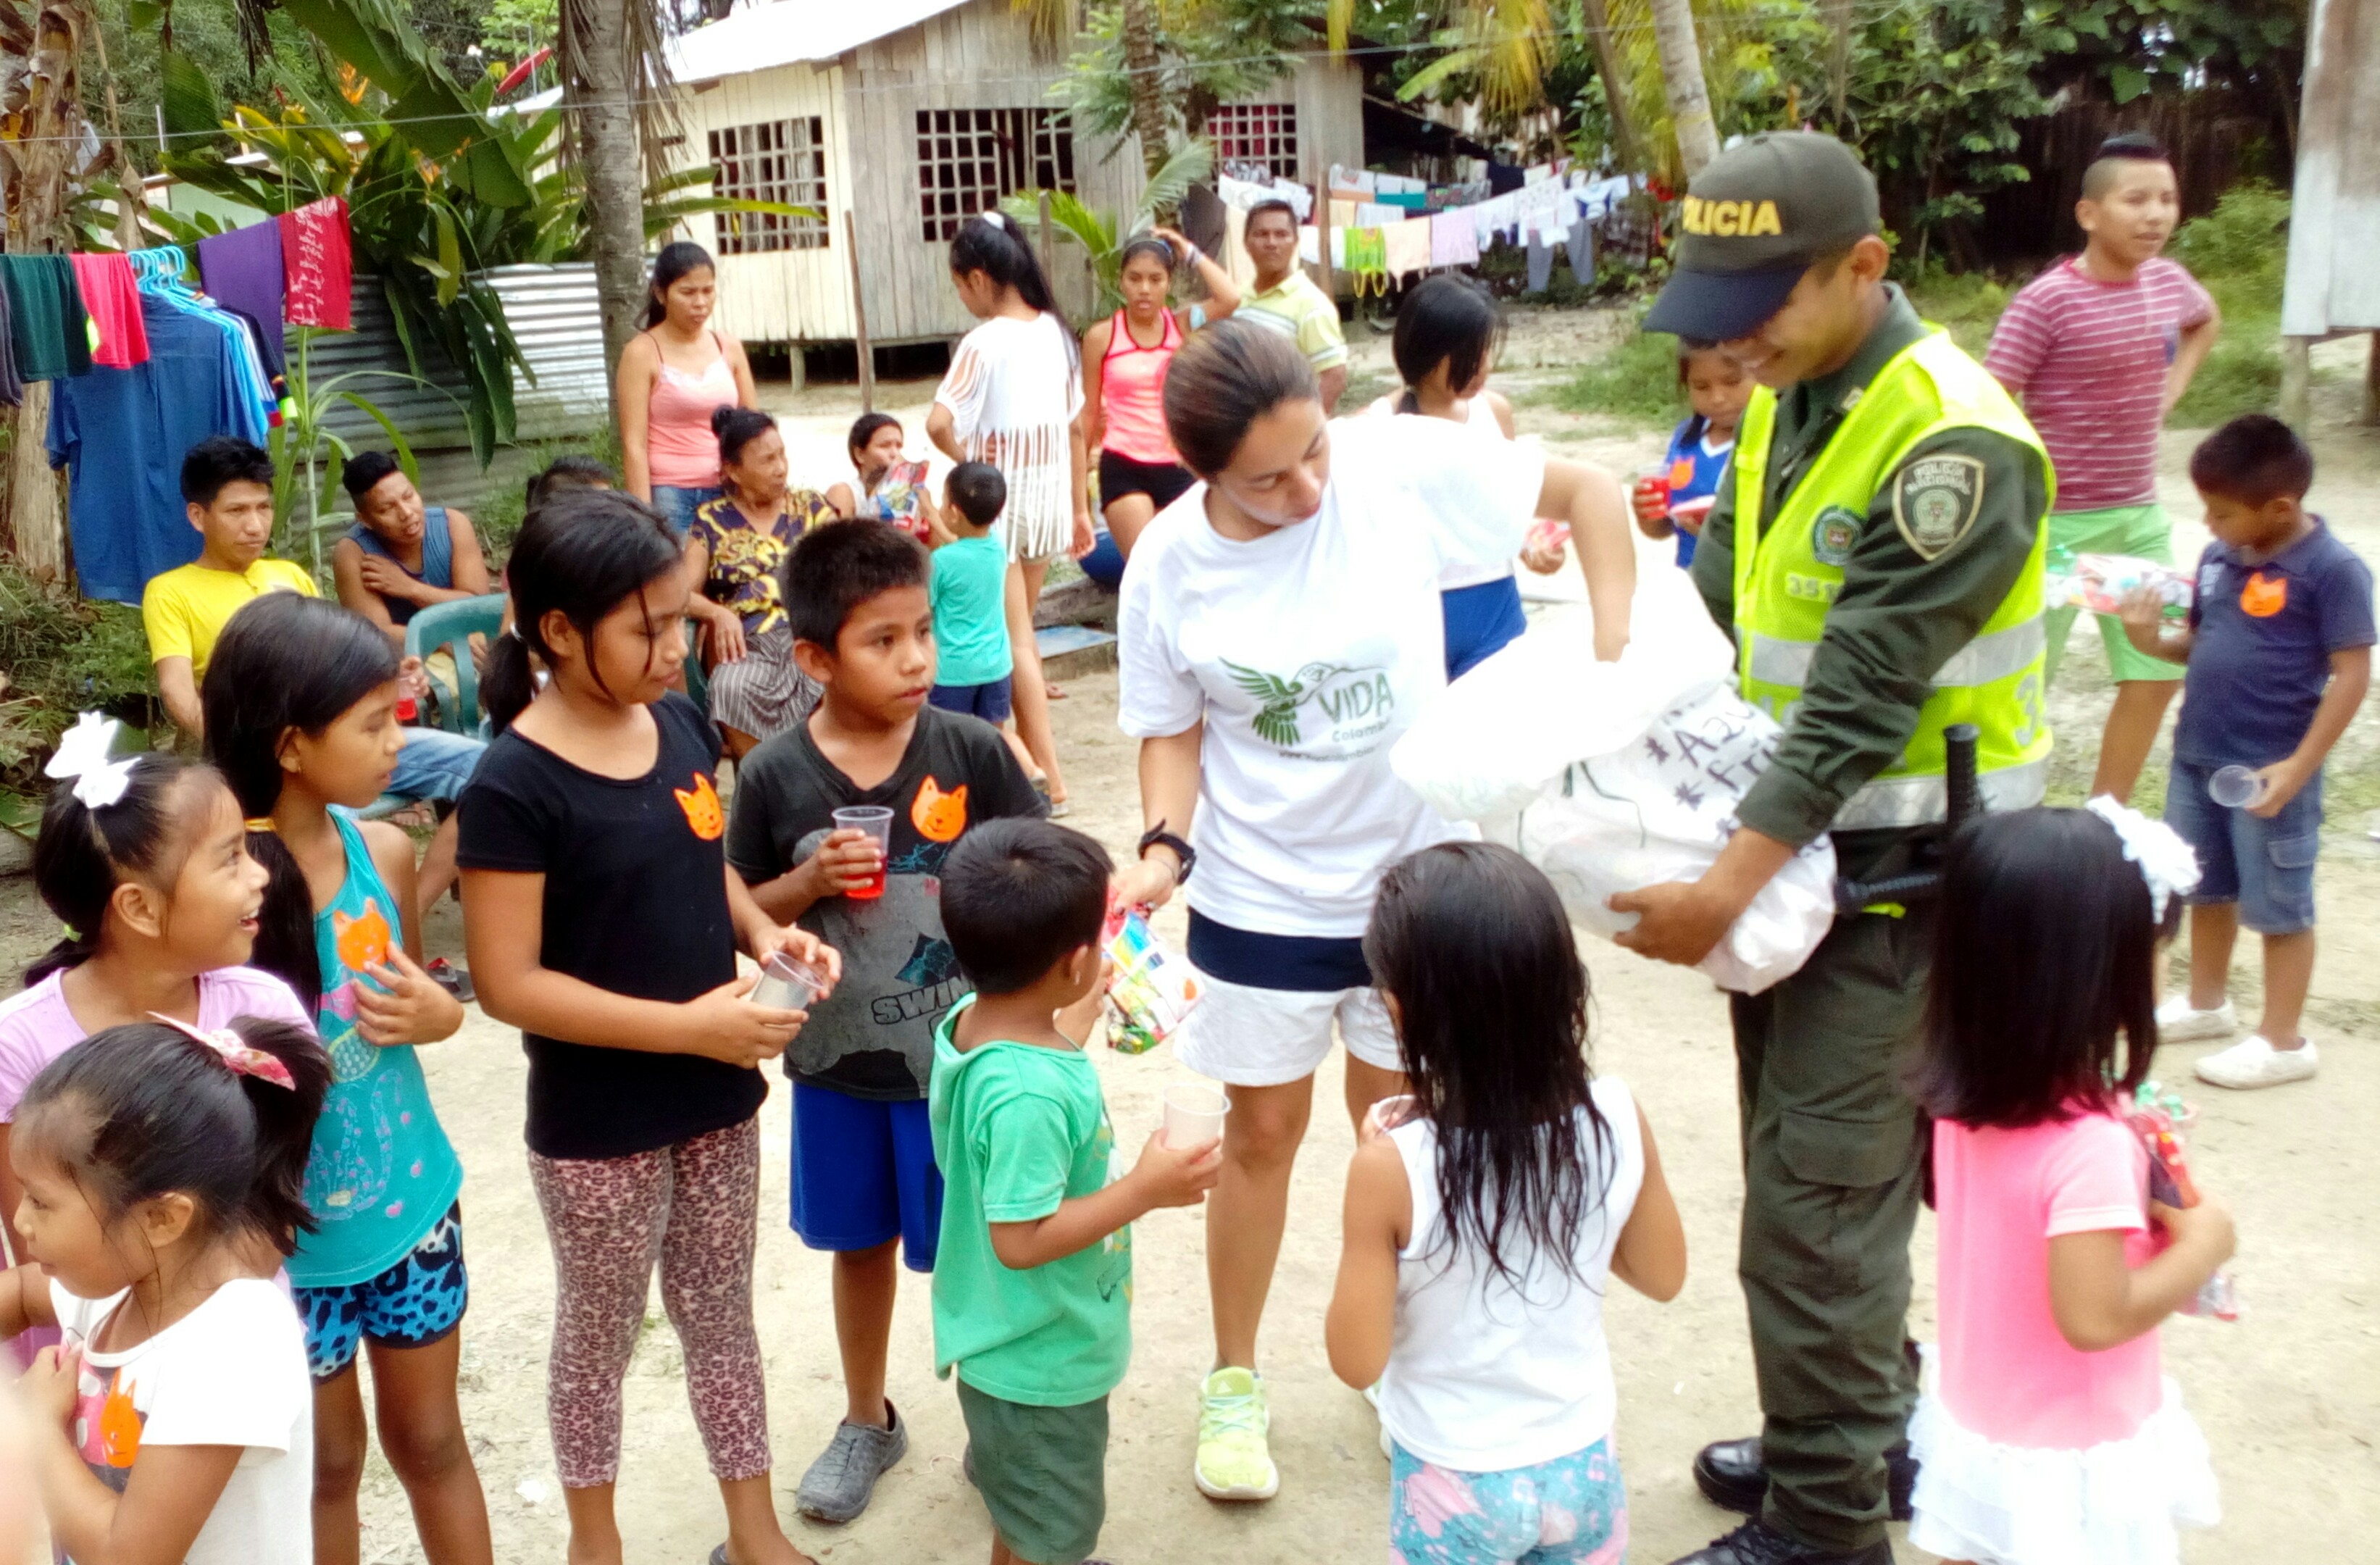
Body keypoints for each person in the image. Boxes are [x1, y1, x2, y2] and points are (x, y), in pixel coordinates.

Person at [1615, 132, 2056, 1565]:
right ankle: (1861, 1437)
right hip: (1815, 887)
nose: (1732, 338)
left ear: (1864, 268)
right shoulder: (1791, 402)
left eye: (1762, 304)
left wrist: (1714, 892)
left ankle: (1823, 1527)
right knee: (1814, 1189)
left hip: (1905, 895)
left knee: (1814, 1218)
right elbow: (1723, 630)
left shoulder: (1949, 441)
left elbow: (1857, 696)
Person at [1109, 318, 1634, 1504]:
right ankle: (1235, 1381)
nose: (1306, 488)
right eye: (1267, 477)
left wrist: (1613, 680)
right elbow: (1172, 727)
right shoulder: (1172, 566)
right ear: (1202, 475)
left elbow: (1592, 493)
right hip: (1261, 893)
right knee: (1260, 1138)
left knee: (1405, 1136)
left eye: (1312, 454)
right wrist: (1159, 850)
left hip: (1418, 888)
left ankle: (1406, 1374)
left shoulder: (1396, 466)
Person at [458, 490, 839, 1565]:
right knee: (600, 1335)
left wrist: (768, 934)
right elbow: (508, 982)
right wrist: (686, 1030)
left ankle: (755, 1532)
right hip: (599, 1121)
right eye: (650, 629)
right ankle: (596, 1545)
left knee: (721, 1313)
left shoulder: (675, 723)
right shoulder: (513, 785)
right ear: (561, 632)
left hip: (717, 1090)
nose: (678, 649)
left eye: (682, 619)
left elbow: (700, 861)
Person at [723, 518, 1044, 1524]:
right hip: (838, 1066)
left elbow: (1041, 870)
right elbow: (737, 905)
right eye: (882, 640)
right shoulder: (776, 773)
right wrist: (804, 880)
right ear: (814, 657)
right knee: (858, 1249)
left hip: (966, 1070)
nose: (915, 659)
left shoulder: (971, 748)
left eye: (924, 633)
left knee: (989, 1249)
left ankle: (1004, 1427)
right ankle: (869, 1418)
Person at [202, 593, 492, 1565]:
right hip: (282, 1251)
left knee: (434, 1443)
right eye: (371, 723)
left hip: (411, 1215)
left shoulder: (386, 853)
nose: (396, 739)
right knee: (324, 1469)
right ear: (290, 746)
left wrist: (444, 1017)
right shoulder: (217, 900)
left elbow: (414, 1002)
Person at [1326, 842, 1687, 1565]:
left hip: (1455, 1478)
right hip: (1581, 1460)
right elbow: (1662, 1274)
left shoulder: (1391, 1167)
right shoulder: (1615, 1113)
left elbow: (1355, 1358)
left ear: (1400, 1008)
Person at [1903, 804, 2230, 1564]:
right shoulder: (2088, 1144)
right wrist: (2205, 1243)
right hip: (2072, 1448)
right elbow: (2096, 1316)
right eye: (2156, 950)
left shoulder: (1959, 1096)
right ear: (2098, 972)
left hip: (1986, 1418)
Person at [930, 817, 1222, 1565]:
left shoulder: (978, 1026)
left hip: (1012, 1339)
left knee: (1028, 1511)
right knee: (1047, 1534)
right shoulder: (1028, 1092)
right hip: (1038, 1360)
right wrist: (1145, 1190)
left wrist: (1083, 1008)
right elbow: (1019, 1240)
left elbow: (1034, 1051)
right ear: (1074, 962)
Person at [0, 740, 304, 1370]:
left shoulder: (264, 1011)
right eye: (229, 860)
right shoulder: (18, 1044)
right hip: (83, 1366)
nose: (261, 875)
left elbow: (273, 1215)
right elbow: (39, 1244)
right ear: (137, 906)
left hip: (228, 1351)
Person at [1, 1014, 330, 1565]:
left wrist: (37, 1428)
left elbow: (127, 1555)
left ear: (161, 1218)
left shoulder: (235, 1344)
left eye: (42, 1201)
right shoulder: (113, 1282)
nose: (21, 1223)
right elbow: (19, 1296)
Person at [2120, 415, 2373, 1090]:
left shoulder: (2333, 569)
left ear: (2280, 507)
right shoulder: (2219, 560)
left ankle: (2282, 1040)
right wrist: (2149, 642)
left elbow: (2351, 673)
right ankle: (2206, 1004)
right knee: (2205, 887)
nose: (2207, 525)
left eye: (2221, 513)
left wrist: (2298, 766)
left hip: (2269, 768)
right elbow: (2199, 645)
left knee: (2278, 904)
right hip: (2197, 754)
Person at [151, 437, 487, 914]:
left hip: (342, 746)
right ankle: (331, 934)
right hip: (275, 771)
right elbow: (177, 693)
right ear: (197, 517)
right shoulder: (171, 591)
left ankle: (405, 908)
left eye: (264, 507)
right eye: (236, 511)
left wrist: (393, 678)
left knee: (491, 772)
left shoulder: (290, 575)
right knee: (321, 824)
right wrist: (245, 753)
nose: (254, 525)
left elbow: (336, 667)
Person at [1986, 132, 2221, 804]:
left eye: (2168, 200)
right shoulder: (2046, 302)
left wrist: (2173, 386)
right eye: (2136, 199)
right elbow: (1987, 394)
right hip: (2052, 530)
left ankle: (2106, 815)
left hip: (2137, 519)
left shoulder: (2169, 282)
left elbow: (2205, 319)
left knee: (2154, 671)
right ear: (2089, 214)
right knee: (2023, 681)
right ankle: (2006, 816)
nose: (2155, 215)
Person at [928, 212, 1089, 814]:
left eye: (959, 287)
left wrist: (967, 455)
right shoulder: (1056, 331)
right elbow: (1077, 428)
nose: (963, 300)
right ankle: (1038, 770)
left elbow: (938, 424)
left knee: (1013, 641)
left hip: (998, 504)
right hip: (1046, 500)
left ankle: (1047, 775)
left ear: (976, 277)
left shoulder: (985, 341)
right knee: (1020, 640)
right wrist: (1079, 507)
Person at [1364, 274, 1564, 678]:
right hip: (1416, 612)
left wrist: (1531, 544)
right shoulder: (1378, 425)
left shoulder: (1494, 413)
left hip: (1494, 607)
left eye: (1486, 352)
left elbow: (1505, 504)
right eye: (1467, 355)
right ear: (1423, 352)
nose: (1482, 368)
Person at [686, 406, 838, 759]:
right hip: (748, 646)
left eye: (782, 454)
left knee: (834, 677)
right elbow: (680, 594)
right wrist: (717, 613)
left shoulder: (811, 508)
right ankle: (760, 778)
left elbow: (848, 565)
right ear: (733, 471)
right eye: (767, 460)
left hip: (809, 634)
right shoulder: (711, 520)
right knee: (730, 685)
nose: (781, 467)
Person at [1082, 229, 1241, 559]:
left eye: (1156, 279)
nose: (1144, 289)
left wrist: (1189, 251)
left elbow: (1230, 299)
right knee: (1147, 566)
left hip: (1177, 463)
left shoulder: (1182, 325)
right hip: (1123, 464)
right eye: (1135, 278)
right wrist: (1077, 495)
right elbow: (1087, 414)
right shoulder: (1102, 337)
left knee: (1190, 564)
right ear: (1121, 281)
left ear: (1168, 283)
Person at [617, 241, 760, 538]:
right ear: (660, 294)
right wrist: (644, 520)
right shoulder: (641, 352)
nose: (700, 303)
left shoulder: (729, 347)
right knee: (676, 579)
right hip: (670, 495)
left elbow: (754, 429)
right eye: (688, 292)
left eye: (708, 291)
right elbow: (634, 445)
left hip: (728, 489)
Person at [331, 450, 493, 648]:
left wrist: (410, 588)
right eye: (386, 509)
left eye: (408, 496)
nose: (407, 513)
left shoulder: (453, 525)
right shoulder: (353, 554)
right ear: (365, 520)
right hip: (401, 664)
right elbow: (374, 636)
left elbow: (480, 610)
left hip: (472, 648)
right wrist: (439, 639)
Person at [1633, 343, 1753, 570]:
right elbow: (1663, 529)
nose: (1717, 398)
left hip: (1739, 582)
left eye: (1732, 382)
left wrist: (1717, 537)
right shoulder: (1686, 438)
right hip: (1692, 578)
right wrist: (1648, 512)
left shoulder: (1769, 441)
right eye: (1701, 386)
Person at [928, 462, 1021, 731]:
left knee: (951, 742)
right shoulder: (997, 547)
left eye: (944, 502)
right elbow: (967, 549)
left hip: (953, 672)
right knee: (992, 738)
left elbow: (926, 607)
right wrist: (937, 520)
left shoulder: (940, 562)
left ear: (954, 512)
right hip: (996, 666)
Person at [1236, 198, 1349, 414]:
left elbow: (1334, 376)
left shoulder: (1311, 305)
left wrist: (1302, 433)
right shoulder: (1239, 297)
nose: (1271, 243)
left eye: (1281, 234)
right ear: (1246, 243)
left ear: (1295, 242)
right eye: (1261, 234)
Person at [827, 412, 938, 543]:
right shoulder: (845, 493)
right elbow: (836, 549)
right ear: (860, 454)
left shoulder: (910, 497)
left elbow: (933, 550)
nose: (894, 454)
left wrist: (928, 511)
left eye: (898, 446)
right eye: (885, 446)